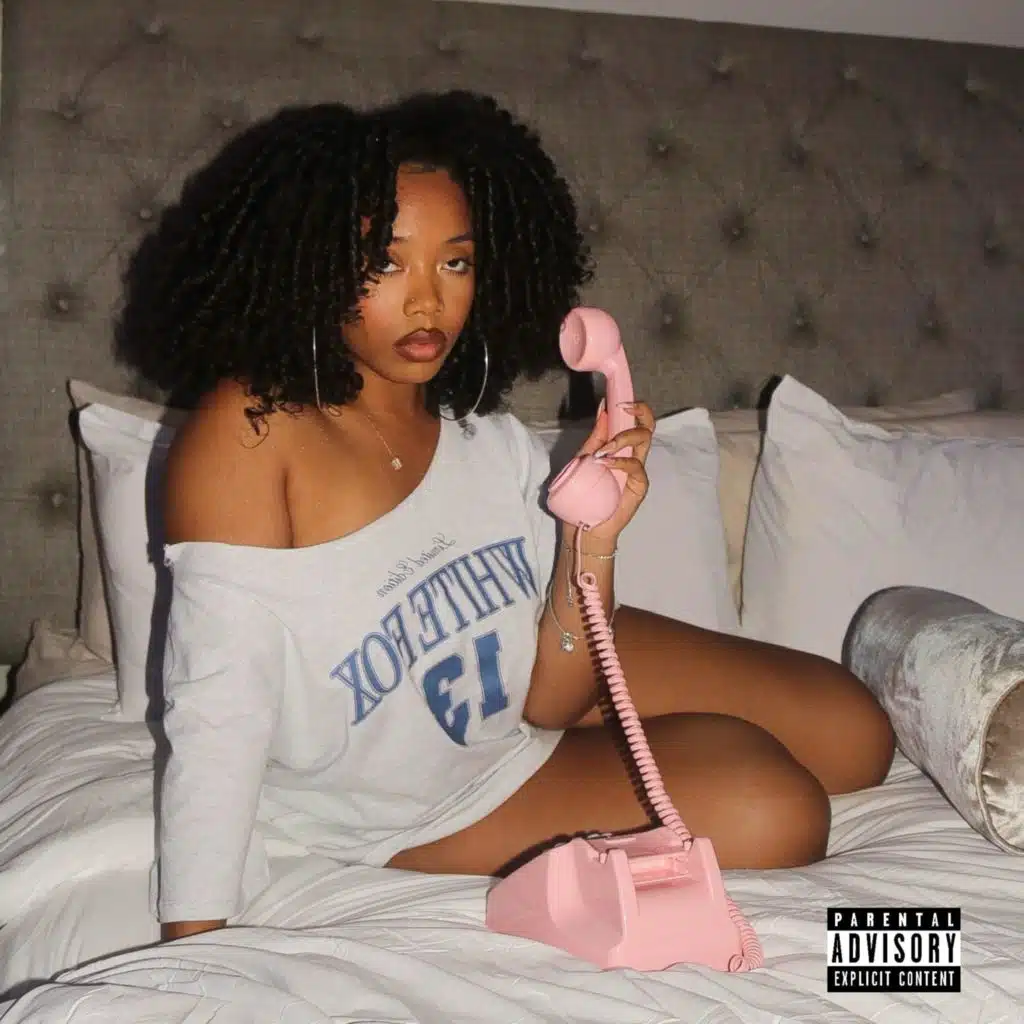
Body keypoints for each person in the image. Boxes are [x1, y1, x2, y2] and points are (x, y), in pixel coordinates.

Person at [116, 92, 894, 943]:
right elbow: (216, 713)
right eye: (385, 264)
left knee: (855, 732)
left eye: (455, 263)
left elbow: (550, 700)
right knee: (777, 810)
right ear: (306, 265)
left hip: (513, 686)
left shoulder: (485, 439)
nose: (427, 302)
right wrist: (193, 948)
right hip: (409, 795)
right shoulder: (251, 432)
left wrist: (591, 542)